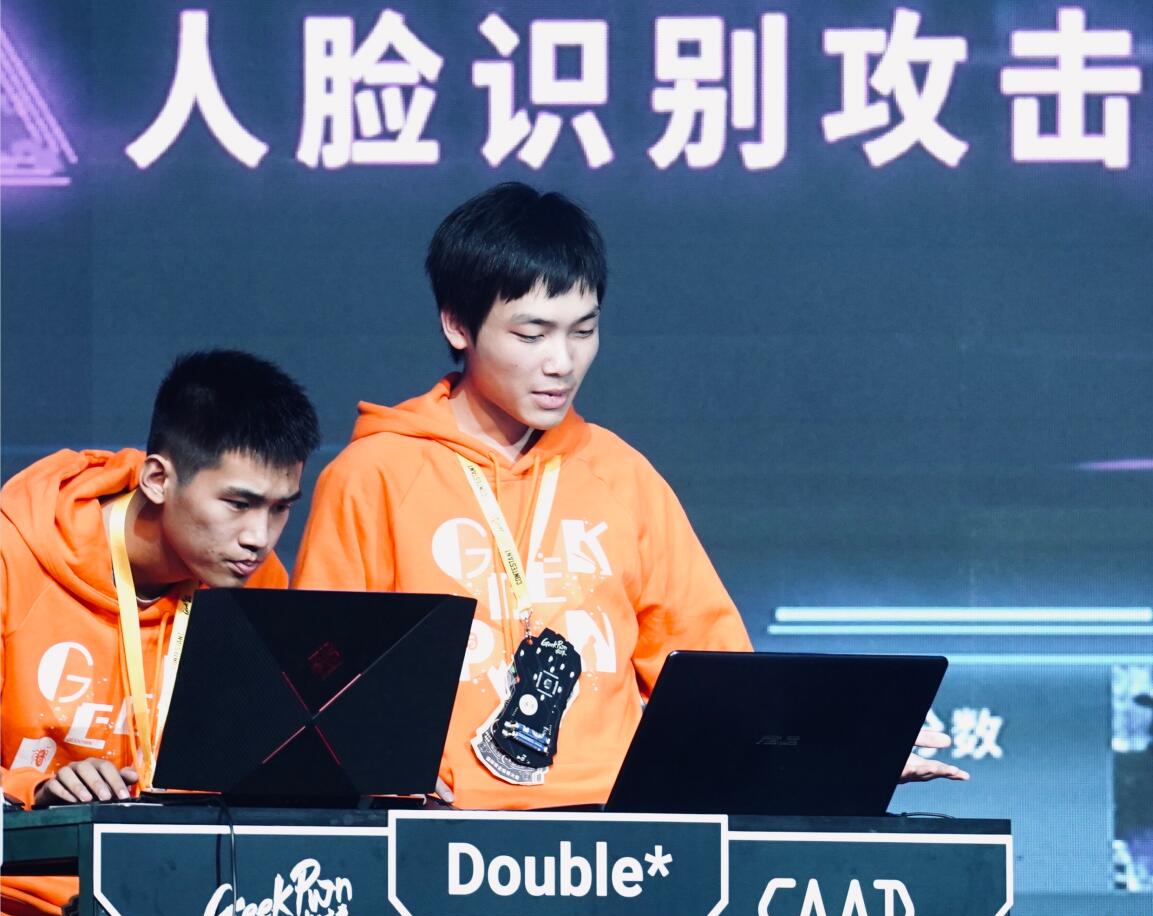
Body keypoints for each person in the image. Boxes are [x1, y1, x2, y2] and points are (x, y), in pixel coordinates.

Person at [293, 182, 967, 812]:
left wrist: (845, 748)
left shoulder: (623, 477)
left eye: (582, 330)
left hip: (612, 840)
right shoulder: (373, 476)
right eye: (531, 334)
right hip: (438, 836)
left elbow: (719, 678)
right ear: (457, 325)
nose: (561, 361)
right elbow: (317, 682)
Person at [0, 349, 320, 916]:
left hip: (177, 904)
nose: (259, 537)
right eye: (238, 503)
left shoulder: (257, 584)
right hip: (20, 907)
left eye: (280, 509)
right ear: (157, 479)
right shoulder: (12, 557)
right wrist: (37, 790)